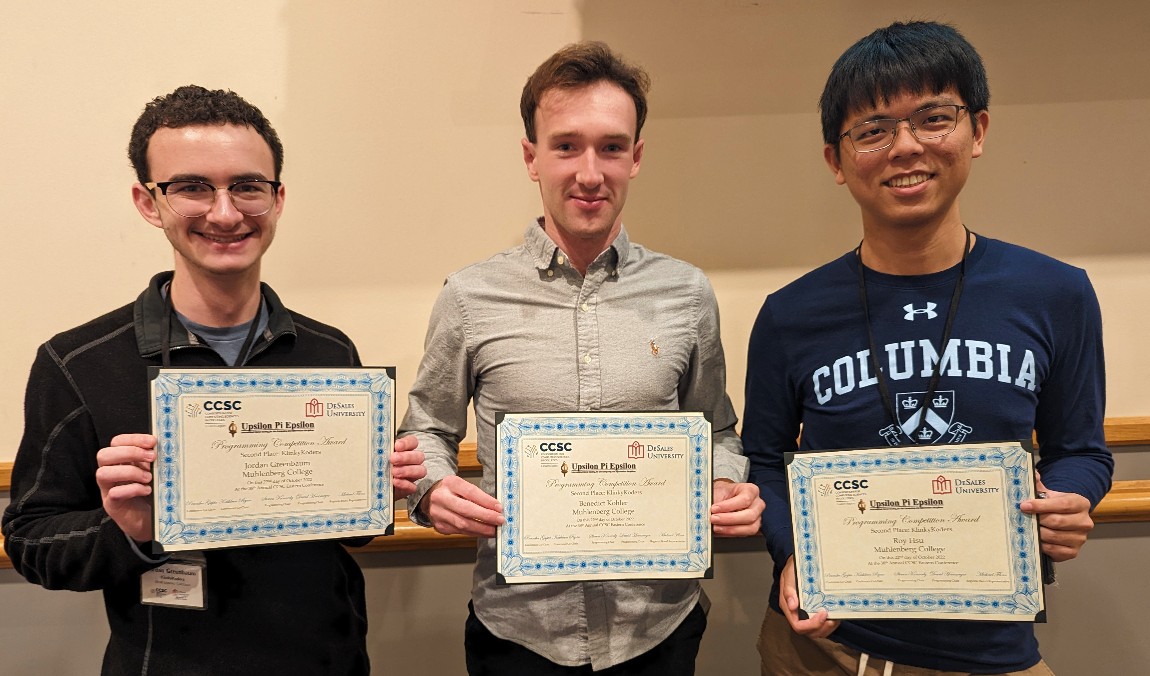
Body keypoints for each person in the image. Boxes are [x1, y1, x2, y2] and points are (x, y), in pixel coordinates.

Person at [1, 85, 425, 675]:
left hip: (325, 662)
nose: (225, 213)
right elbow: (29, 541)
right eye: (192, 187)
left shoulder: (330, 353)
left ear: (277, 200)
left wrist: (373, 496)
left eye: (247, 186)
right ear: (149, 202)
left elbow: (349, 538)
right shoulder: (77, 363)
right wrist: (129, 531)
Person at [742, 21, 1113, 675]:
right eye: (873, 130)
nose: (905, 148)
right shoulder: (789, 316)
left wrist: (1070, 498)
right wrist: (790, 549)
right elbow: (765, 463)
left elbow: (1081, 451)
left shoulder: (1056, 293)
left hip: (993, 650)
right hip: (822, 650)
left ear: (979, 132)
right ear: (836, 159)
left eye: (933, 118)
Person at [398, 42, 764, 675]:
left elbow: (717, 429)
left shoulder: (687, 293)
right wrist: (433, 489)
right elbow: (427, 429)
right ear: (530, 157)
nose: (589, 173)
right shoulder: (469, 295)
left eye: (611, 147)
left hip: (659, 629)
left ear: (637, 157)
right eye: (566, 145)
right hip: (519, 634)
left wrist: (728, 481)